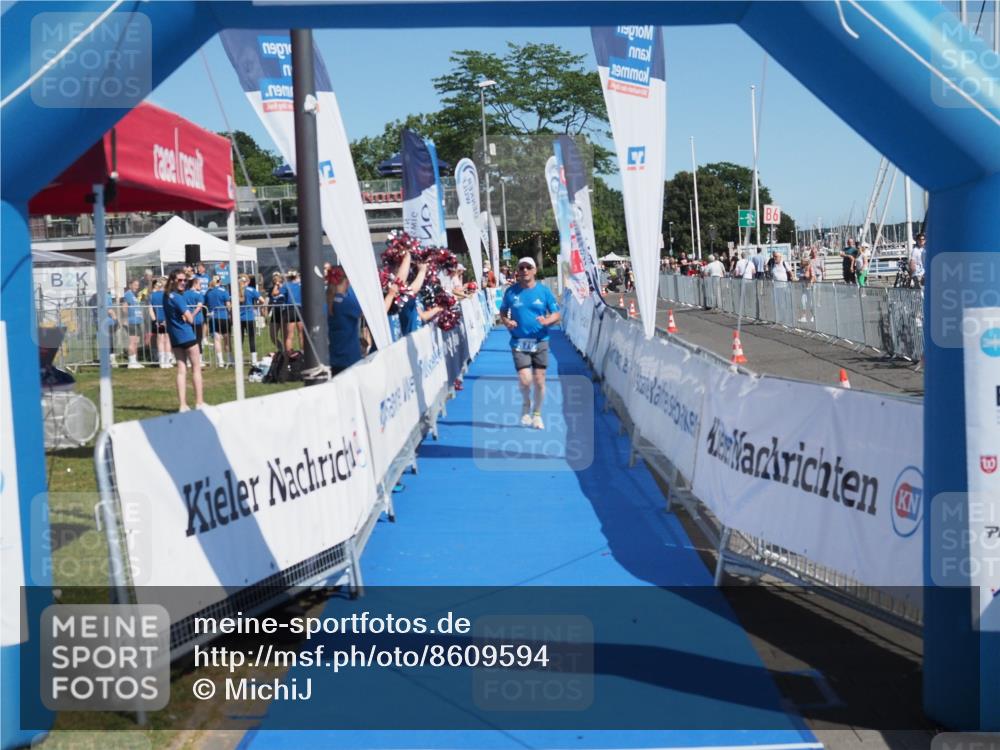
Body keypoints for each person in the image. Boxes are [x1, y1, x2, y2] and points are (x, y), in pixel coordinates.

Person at [499, 257, 561, 430]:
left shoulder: (544, 291)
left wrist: (548, 321)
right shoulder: (511, 292)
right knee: (525, 381)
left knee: (540, 381)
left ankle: (537, 414)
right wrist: (506, 322)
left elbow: (556, 314)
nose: (525, 270)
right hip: (519, 341)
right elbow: (503, 311)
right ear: (518, 271)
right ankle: (526, 405)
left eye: (528, 267)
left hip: (540, 341)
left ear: (534, 270)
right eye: (522, 267)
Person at [163, 270, 204, 412]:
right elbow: (190, 318)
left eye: (184, 280)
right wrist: (187, 317)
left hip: (175, 337)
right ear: (173, 280)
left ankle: (183, 405)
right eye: (180, 280)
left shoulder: (166, 296)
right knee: (196, 368)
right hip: (186, 335)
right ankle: (199, 402)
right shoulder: (178, 298)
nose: (183, 283)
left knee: (181, 370)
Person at [205, 275, 232, 368]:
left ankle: (220, 361)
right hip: (223, 317)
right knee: (227, 339)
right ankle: (229, 359)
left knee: (216, 340)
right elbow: (228, 305)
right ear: (220, 281)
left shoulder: (208, 292)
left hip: (213, 317)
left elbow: (206, 304)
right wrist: (231, 314)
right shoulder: (224, 291)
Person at [238, 274, 261, 365]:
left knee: (240, 339)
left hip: (239, 318)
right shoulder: (252, 290)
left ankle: (239, 359)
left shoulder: (236, 291)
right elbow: (262, 300)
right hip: (250, 317)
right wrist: (255, 307)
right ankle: (254, 360)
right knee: (252, 338)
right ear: (247, 281)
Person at [185, 275, 207, 368]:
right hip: (197, 320)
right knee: (198, 340)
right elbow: (199, 307)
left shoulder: (185, 294)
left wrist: (188, 316)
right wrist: (192, 315)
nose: (201, 286)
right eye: (199, 284)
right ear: (195, 284)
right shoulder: (199, 294)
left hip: (187, 319)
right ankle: (199, 360)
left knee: (189, 340)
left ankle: (189, 360)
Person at [149, 278, 172, 368]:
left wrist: (154, 320)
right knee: (167, 339)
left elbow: (150, 309)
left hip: (158, 319)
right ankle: (167, 360)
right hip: (166, 319)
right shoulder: (167, 295)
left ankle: (162, 361)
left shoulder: (152, 295)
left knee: (160, 339)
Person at [122, 279, 145, 369]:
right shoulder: (128, 294)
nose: (137, 287)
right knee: (132, 341)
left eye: (138, 285)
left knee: (136, 341)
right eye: (135, 285)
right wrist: (125, 319)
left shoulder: (136, 295)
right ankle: (131, 361)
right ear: (130, 285)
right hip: (131, 321)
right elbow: (124, 307)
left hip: (137, 320)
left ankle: (135, 360)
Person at [282, 270, 303, 352]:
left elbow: (276, 293)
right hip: (300, 308)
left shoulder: (286, 285)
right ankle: (303, 353)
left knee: (290, 335)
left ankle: (290, 355)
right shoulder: (300, 285)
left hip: (290, 309)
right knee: (301, 334)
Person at [267, 271, 287, 351]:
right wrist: (267, 313)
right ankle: (281, 349)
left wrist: (279, 285)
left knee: (284, 335)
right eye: (274, 277)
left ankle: (287, 351)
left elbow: (275, 293)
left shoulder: (284, 288)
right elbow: (271, 299)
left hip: (284, 312)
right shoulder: (272, 289)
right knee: (272, 335)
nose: (275, 278)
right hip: (275, 313)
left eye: (277, 276)